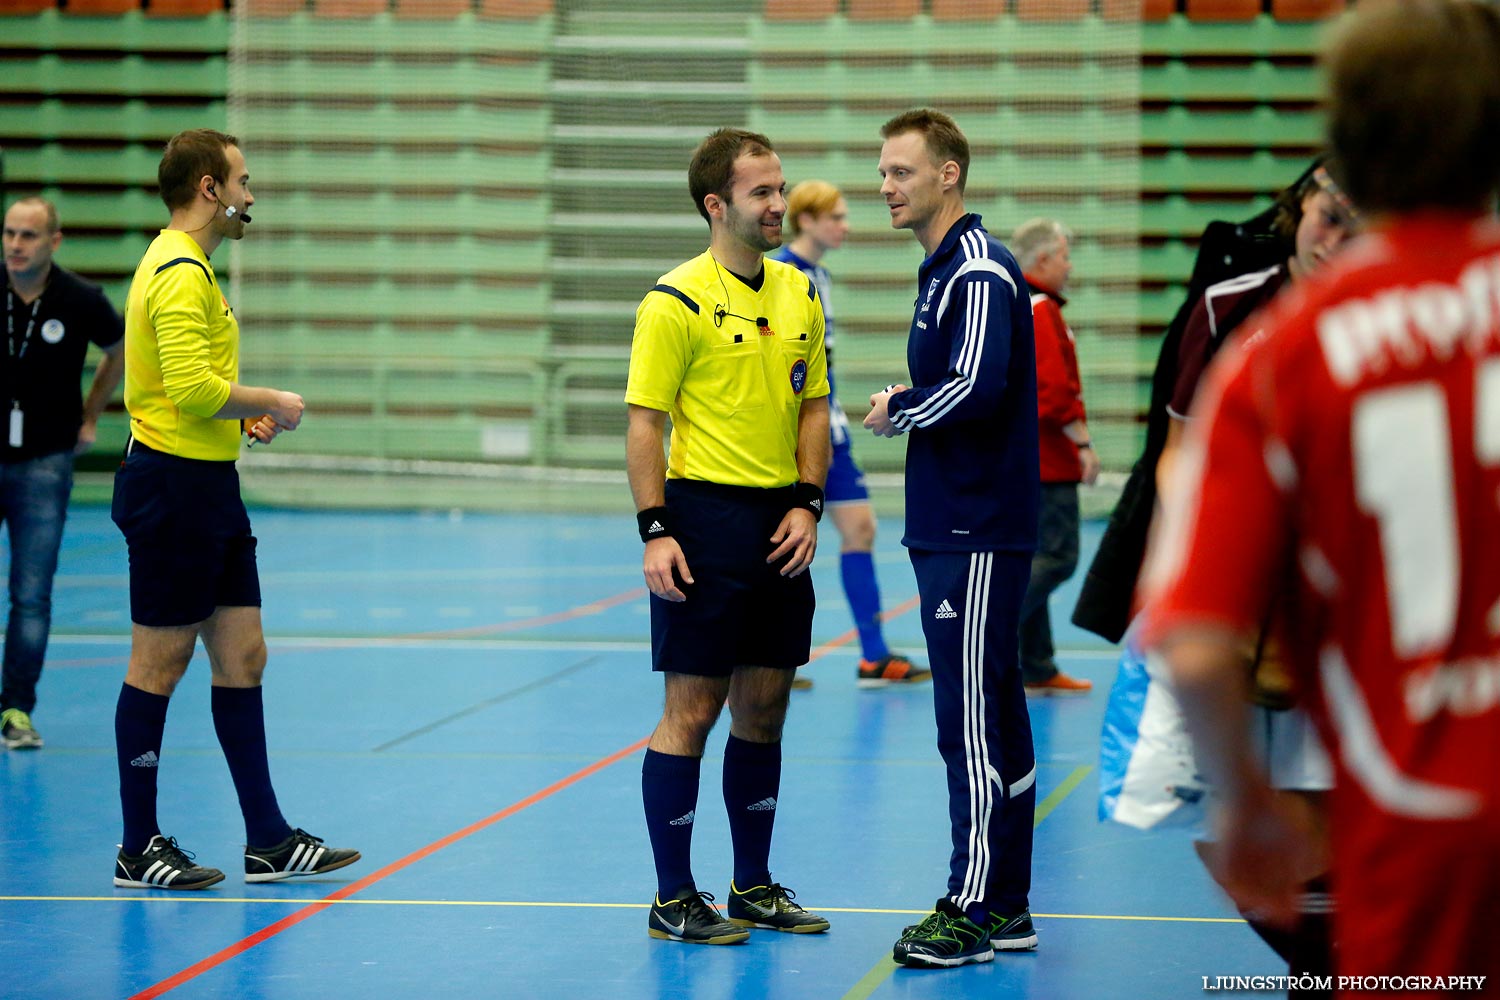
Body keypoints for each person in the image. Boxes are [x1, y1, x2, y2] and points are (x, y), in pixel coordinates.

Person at [1145, 0, 1500, 993]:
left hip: (1414, 820)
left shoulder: (1288, 355)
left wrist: (1249, 801)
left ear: (1344, 141)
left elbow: (1198, 637)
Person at [110, 129, 359, 890]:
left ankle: (269, 840)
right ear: (211, 190)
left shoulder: (196, 270)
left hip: (210, 486)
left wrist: (236, 418)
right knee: (160, 661)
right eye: (243, 181)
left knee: (243, 654)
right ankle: (137, 846)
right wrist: (270, 402)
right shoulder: (179, 270)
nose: (251, 195)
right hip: (171, 489)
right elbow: (186, 390)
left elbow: (193, 390)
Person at [625, 127, 832, 945]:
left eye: (780, 189)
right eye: (761, 192)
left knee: (767, 707)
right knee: (693, 708)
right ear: (717, 205)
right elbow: (645, 425)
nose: (779, 204)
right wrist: (656, 531)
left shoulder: (801, 293)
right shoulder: (672, 301)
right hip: (703, 520)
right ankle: (673, 895)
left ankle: (753, 884)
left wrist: (808, 502)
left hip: (780, 519)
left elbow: (814, 403)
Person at [1155, 159, 1358, 991]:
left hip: (1365, 617)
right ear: (1297, 210)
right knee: (1243, 827)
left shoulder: (1403, 318)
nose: (1333, 233)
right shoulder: (1230, 309)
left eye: (1356, 219)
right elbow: (1178, 463)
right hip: (1249, 613)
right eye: (1325, 212)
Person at [864, 109, 1041, 969]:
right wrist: (918, 394)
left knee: (967, 722)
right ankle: (1006, 903)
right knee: (996, 716)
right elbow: (967, 381)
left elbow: (975, 384)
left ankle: (971, 905)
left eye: (901, 171)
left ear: (949, 175)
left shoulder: (975, 269)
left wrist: (899, 409)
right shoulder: (945, 273)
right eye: (884, 172)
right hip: (962, 524)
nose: (886, 186)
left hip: (973, 529)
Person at [770, 179, 929, 690]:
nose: (845, 225)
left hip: (828, 426)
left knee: (859, 528)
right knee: (780, 539)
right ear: (807, 220)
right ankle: (769, 655)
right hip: (792, 433)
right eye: (835, 216)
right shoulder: (784, 275)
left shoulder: (820, 275)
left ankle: (873, 656)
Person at [1, 197, 126, 751]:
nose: (14, 245)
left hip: (47, 463)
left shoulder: (80, 299)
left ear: (53, 241)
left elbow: (120, 349)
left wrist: (92, 412)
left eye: (28, 235)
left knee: (31, 594)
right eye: (8, 233)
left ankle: (15, 710)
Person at [1009, 218, 1100, 696]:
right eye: (1064, 255)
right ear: (1042, 259)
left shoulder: (1029, 305)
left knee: (1038, 557)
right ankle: (991, 635)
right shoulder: (1041, 310)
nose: (1069, 265)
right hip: (1049, 462)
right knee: (1059, 558)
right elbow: (1054, 392)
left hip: (1035, 460)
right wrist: (1082, 443)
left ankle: (1037, 666)